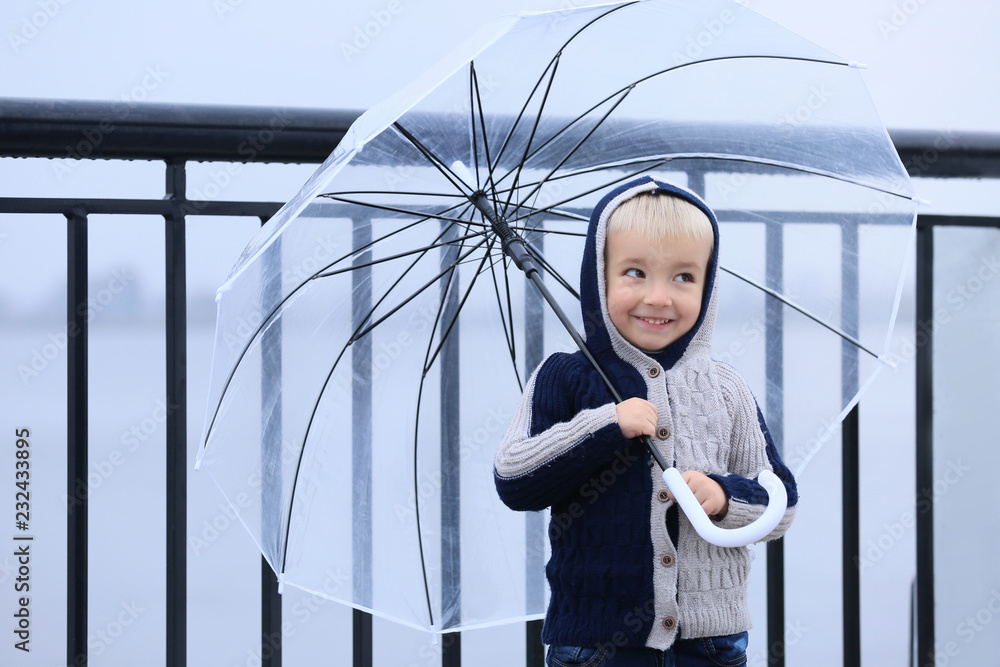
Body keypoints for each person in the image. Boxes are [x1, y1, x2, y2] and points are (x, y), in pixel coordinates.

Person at [494, 175, 798, 666]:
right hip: (597, 644)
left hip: (710, 645)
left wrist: (724, 497)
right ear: (599, 277)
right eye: (635, 272)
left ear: (709, 285)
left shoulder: (725, 388)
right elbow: (515, 478)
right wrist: (604, 426)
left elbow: (780, 505)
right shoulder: (566, 376)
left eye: (683, 278)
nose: (659, 297)